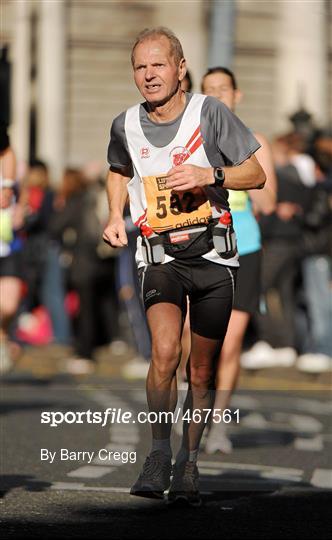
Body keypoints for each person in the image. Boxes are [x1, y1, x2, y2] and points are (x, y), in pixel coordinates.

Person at [103, 27, 265, 506]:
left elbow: (255, 173)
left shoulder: (210, 113)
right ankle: (157, 453)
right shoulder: (125, 124)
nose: (149, 75)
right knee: (165, 351)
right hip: (160, 257)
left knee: (200, 367)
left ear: (180, 67)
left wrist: (208, 174)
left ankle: (189, 460)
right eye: (140, 67)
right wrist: (115, 214)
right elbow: (118, 169)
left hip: (215, 256)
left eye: (158, 65)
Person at [200, 67, 276, 453]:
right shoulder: (193, 140)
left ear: (236, 95)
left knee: (229, 345)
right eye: (208, 90)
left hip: (244, 246)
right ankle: (192, 400)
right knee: (190, 342)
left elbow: (269, 200)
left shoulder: (255, 140)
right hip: (202, 248)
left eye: (222, 90)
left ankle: (217, 426)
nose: (216, 96)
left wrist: (241, 164)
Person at [0, 125, 24, 373]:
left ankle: (2, 335)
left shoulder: (7, 158)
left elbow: (6, 149)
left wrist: (8, 187)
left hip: (7, 242)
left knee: (8, 304)